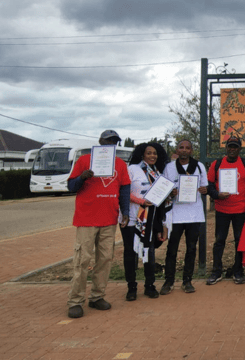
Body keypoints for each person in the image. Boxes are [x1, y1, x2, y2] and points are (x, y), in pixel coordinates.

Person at [66, 130, 131, 319]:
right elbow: (71, 187)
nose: (111, 144)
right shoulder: (84, 160)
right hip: (86, 219)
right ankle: (75, 301)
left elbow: (124, 189)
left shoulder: (120, 164)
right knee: (82, 260)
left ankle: (97, 296)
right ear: (100, 141)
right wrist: (82, 177)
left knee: (105, 260)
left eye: (114, 141)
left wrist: (125, 212)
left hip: (109, 219)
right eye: (108, 140)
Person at [121, 142, 171, 301]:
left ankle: (150, 285)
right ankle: (131, 287)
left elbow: (162, 200)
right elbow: (123, 191)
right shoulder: (132, 169)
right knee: (131, 253)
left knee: (149, 252)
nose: (152, 156)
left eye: (155, 153)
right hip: (132, 218)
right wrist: (140, 201)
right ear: (142, 154)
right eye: (149, 153)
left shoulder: (158, 173)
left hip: (151, 219)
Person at [161, 140, 208, 294]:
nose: (184, 150)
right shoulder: (169, 167)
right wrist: (170, 193)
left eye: (187, 148)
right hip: (176, 215)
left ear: (191, 151)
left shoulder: (199, 167)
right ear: (177, 149)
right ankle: (169, 281)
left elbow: (205, 187)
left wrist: (203, 190)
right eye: (181, 147)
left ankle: (187, 281)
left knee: (191, 248)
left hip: (194, 214)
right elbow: (164, 189)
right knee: (172, 249)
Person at [206, 136, 245, 285]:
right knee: (219, 241)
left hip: (240, 210)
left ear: (240, 149)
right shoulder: (217, 164)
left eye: (235, 147)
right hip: (222, 210)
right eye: (230, 146)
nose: (232, 149)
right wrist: (217, 195)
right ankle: (216, 271)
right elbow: (209, 187)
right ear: (226, 148)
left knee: (240, 242)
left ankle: (238, 271)